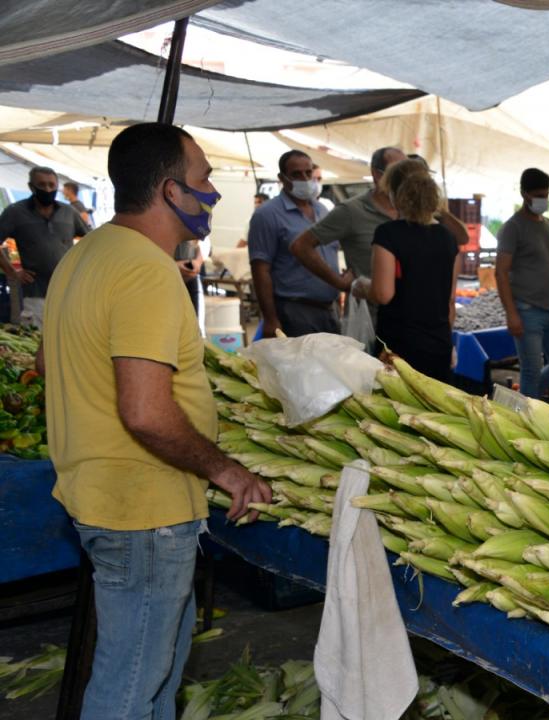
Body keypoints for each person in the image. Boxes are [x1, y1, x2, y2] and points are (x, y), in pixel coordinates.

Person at [41, 122, 271, 719]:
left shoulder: (84, 254)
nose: (213, 190)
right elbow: (144, 411)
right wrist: (226, 470)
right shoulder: (146, 269)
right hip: (142, 510)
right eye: (204, 179)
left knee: (149, 679)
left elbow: (48, 361)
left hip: (99, 497)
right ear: (171, 192)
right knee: (131, 686)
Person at [369, 160, 462, 380]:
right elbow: (450, 301)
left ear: (396, 195)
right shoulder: (448, 238)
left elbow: (383, 294)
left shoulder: (388, 233)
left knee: (398, 409)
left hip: (399, 346)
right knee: (431, 411)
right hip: (438, 343)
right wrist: (448, 343)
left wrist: (362, 287)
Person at [290, 146, 404, 300]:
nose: (405, 178)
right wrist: (340, 283)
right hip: (370, 318)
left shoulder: (411, 211)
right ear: (377, 175)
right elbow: (300, 246)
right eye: (397, 172)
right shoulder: (351, 211)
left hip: (409, 315)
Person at [249, 150, 341, 338]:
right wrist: (270, 319)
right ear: (282, 178)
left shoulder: (321, 210)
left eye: (308, 173)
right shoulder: (267, 214)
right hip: (295, 310)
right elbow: (260, 270)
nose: (305, 179)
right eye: (296, 174)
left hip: (329, 310)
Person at [497, 168, 549, 398]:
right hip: (527, 310)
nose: (543, 200)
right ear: (524, 194)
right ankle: (524, 417)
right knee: (530, 371)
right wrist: (511, 313)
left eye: (546, 195)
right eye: (538, 195)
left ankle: (528, 399)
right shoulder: (513, 228)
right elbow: (501, 272)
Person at [0, 166, 89, 327]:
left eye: (51, 185)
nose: (47, 189)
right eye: (42, 185)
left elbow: (91, 239)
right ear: (31, 187)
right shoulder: (15, 212)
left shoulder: (68, 212)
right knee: (36, 340)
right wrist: (12, 272)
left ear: (57, 187)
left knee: (67, 340)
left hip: (68, 292)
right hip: (35, 294)